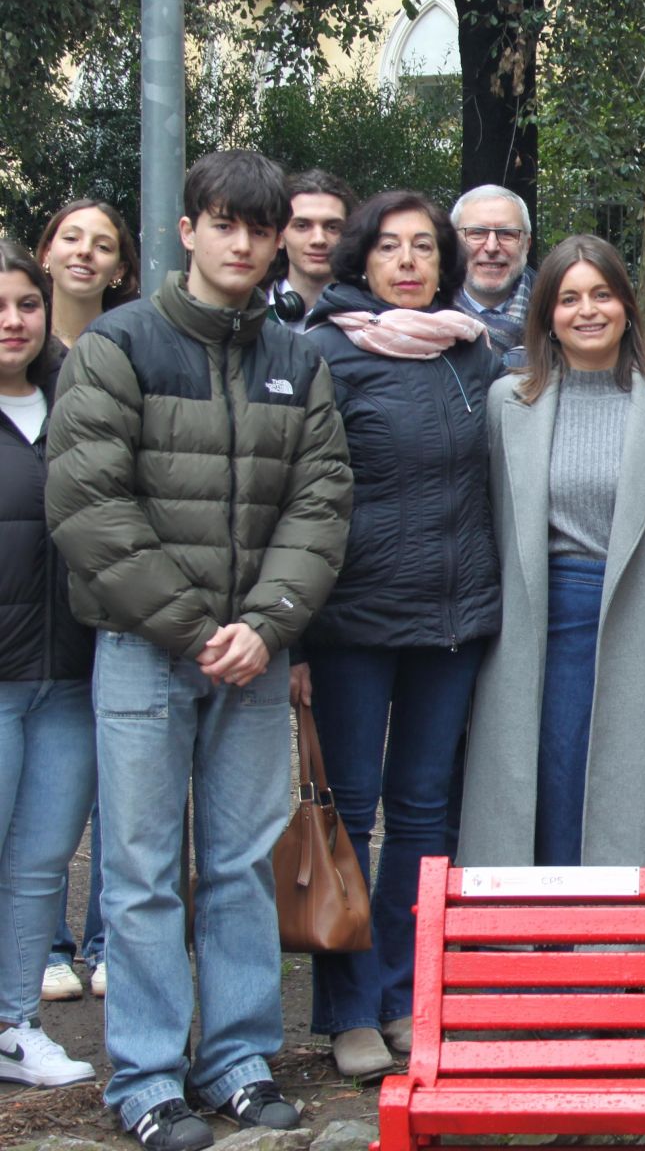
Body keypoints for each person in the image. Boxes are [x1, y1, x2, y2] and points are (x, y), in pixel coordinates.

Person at [45, 149, 353, 1150]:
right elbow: (89, 504)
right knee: (136, 871)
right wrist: (191, 625)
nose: (246, 243)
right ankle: (143, 1073)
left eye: (260, 229)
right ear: (187, 230)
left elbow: (321, 504)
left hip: (252, 658)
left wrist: (263, 626)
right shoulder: (119, 345)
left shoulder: (296, 359)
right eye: (226, 222)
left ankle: (237, 1057)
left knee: (236, 865)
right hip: (145, 649)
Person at [299, 191, 501, 1077]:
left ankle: (398, 996)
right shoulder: (325, 354)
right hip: (351, 622)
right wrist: (295, 639)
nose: (411, 262)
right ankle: (344, 1007)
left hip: (452, 621)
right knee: (349, 816)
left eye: (426, 247)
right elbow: (296, 494)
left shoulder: (474, 353)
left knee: (424, 814)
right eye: (391, 248)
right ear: (361, 261)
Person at [459, 235, 645, 870]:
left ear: (628, 308)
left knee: (632, 799)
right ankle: (537, 954)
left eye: (603, 295)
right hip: (532, 625)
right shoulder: (507, 403)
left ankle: (621, 959)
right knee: (543, 787)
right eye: (569, 298)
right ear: (547, 317)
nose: (587, 311)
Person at [36, 200, 139, 1002]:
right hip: (27, 608)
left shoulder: (125, 347)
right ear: (44, 252)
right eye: (72, 238)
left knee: (118, 784)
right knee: (41, 787)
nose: (85, 253)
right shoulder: (18, 353)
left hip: (111, 598)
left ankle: (108, 941)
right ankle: (46, 942)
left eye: (102, 244)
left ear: (120, 267)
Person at [0, 241, 97, 1088]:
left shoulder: (76, 400)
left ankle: (15, 1024)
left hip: (68, 675)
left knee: (40, 862)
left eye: (26, 305)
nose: (13, 320)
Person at [38, 199, 140, 348]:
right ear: (47, 253)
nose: (85, 251)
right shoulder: (20, 337)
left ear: (119, 270)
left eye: (103, 247)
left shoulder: (133, 345)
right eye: (71, 238)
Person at [449, 184, 535, 358]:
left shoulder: (557, 313)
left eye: (507, 234)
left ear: (527, 245)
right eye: (477, 233)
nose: (492, 247)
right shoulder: (422, 314)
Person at [268, 169, 356, 326]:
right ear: (280, 237)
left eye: (332, 227)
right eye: (302, 226)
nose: (318, 239)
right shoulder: (247, 311)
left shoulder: (369, 317)